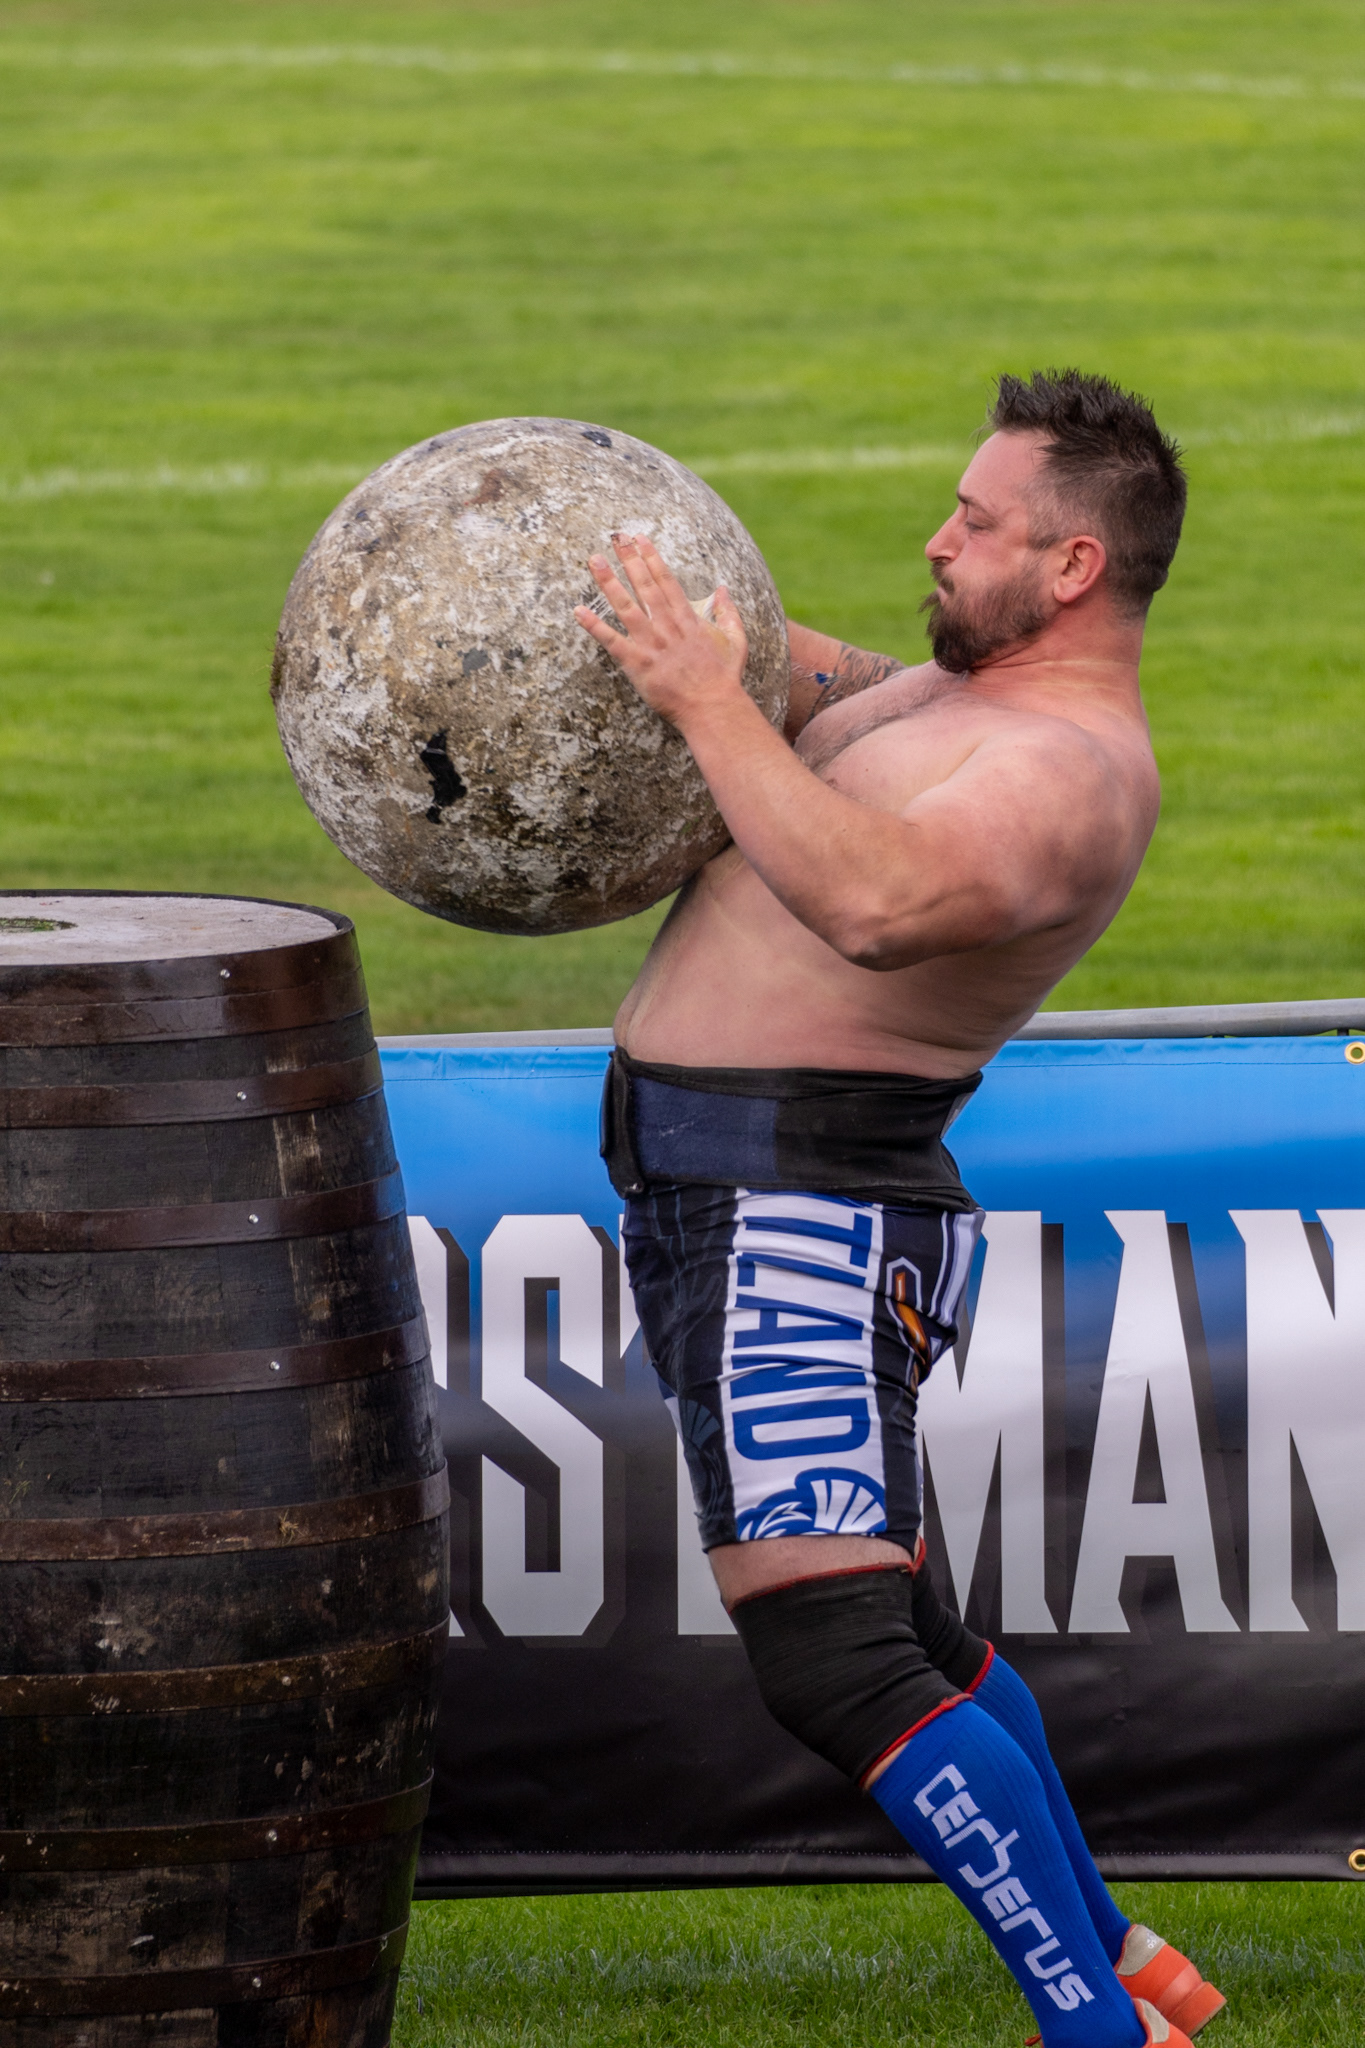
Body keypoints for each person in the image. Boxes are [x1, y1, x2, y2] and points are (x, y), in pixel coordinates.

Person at [575, 369, 1221, 2048]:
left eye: (975, 522)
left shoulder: (1066, 773)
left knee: (836, 1656)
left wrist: (709, 707)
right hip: (750, 1200)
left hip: (795, 1209)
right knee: (904, 1627)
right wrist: (651, 619)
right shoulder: (953, 698)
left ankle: (1093, 2026)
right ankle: (1126, 1965)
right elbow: (808, 691)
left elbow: (874, 900)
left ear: (1071, 566)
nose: (936, 540)